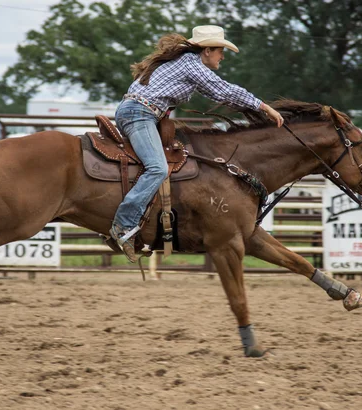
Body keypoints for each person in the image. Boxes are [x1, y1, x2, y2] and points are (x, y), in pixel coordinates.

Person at [109, 25, 284, 262]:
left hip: (140, 113)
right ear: (207, 50)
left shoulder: (185, 63)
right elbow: (224, 90)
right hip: (140, 114)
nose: (223, 56)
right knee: (158, 168)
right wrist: (263, 106)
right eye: (220, 50)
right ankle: (123, 225)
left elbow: (218, 94)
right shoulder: (191, 63)